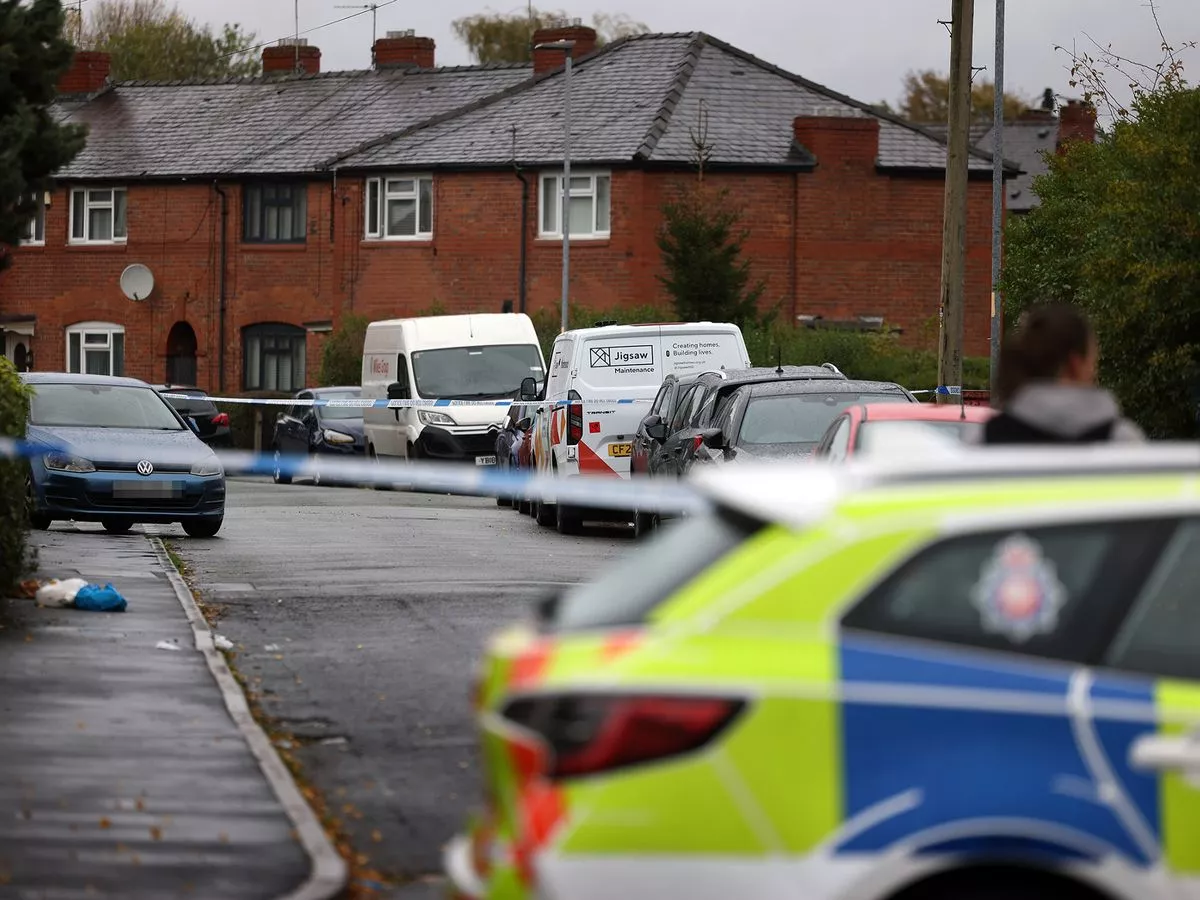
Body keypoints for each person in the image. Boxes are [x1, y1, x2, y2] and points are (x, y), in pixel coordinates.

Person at [983, 303, 1144, 444]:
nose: (1095, 372)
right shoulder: (1122, 440)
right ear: (1075, 365)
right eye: (1093, 362)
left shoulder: (987, 438)